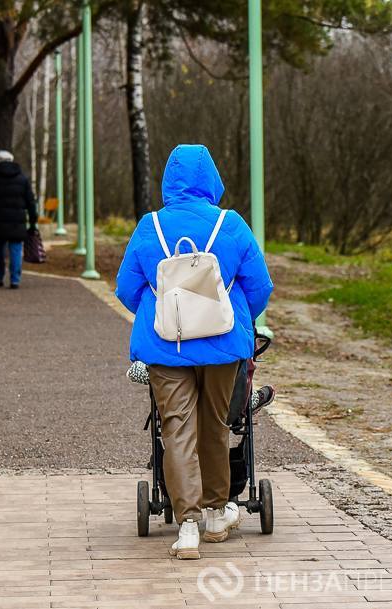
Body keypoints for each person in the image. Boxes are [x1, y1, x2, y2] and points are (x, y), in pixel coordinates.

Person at [115, 144, 273, 560]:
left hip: (166, 348)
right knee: (216, 426)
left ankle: (186, 526)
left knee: (176, 430)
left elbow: (127, 289)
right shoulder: (231, 224)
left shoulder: (150, 227)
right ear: (212, 179)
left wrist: (162, 312)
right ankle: (217, 513)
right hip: (224, 348)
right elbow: (260, 286)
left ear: (168, 180)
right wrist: (238, 318)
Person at [0, 150, 37, 289]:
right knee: (16, 249)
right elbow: (31, 201)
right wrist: (33, 220)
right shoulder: (22, 178)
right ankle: (15, 279)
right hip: (17, 221)